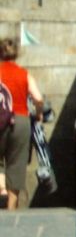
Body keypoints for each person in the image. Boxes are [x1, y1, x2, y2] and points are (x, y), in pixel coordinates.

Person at [0, 38, 44, 210]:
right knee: (16, 165)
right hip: (20, 121)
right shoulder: (24, 74)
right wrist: (39, 115)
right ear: (16, 54)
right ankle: (11, 209)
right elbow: (38, 99)